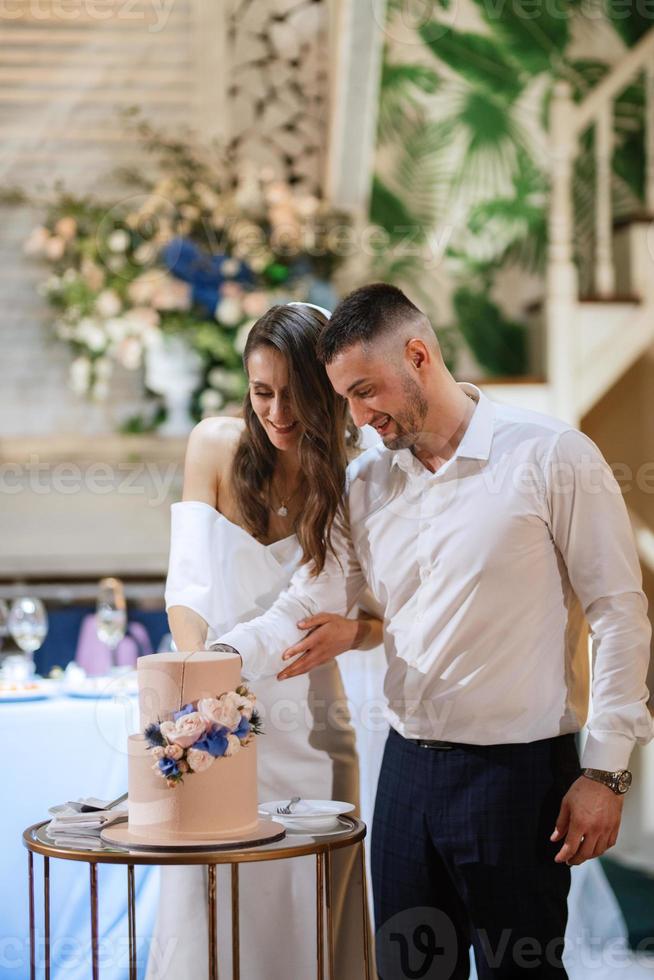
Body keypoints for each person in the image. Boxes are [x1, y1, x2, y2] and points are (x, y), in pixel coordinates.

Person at [211, 283, 653, 978]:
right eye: (345, 398)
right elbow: (305, 601)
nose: (357, 416)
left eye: (366, 391)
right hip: (408, 774)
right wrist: (217, 659)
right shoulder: (365, 483)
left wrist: (607, 771)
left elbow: (619, 613)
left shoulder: (551, 455)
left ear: (419, 355)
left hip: (520, 775)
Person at [148, 301, 382, 980]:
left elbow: (371, 617)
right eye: (262, 392)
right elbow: (187, 587)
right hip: (212, 719)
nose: (278, 412)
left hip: (313, 728)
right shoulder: (213, 445)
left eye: (296, 394)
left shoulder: (353, 478)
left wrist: (357, 631)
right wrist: (202, 690)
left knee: (305, 911)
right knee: (206, 908)